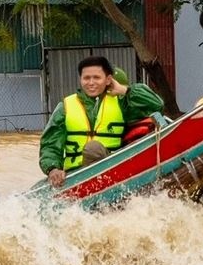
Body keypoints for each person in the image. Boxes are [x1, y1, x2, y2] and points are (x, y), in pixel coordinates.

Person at [39, 56, 164, 187]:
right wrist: (53, 168)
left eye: (97, 78)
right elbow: (50, 143)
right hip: (74, 174)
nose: (91, 82)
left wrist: (124, 90)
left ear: (108, 80)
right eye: (86, 78)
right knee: (91, 149)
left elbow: (157, 105)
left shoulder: (121, 102)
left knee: (93, 148)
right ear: (80, 79)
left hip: (112, 168)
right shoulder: (65, 106)